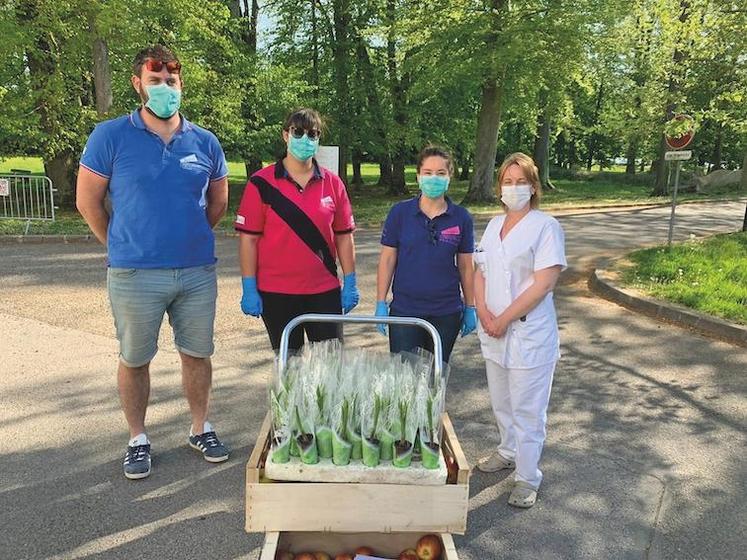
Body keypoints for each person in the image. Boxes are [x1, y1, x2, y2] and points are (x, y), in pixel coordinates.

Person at [76, 45, 230, 480]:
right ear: (137, 83)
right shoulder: (110, 136)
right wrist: (120, 243)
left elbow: (218, 202)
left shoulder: (204, 141)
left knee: (197, 354)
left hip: (196, 272)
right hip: (134, 273)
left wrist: (190, 236)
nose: (165, 88)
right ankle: (138, 438)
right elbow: (88, 201)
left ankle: (201, 427)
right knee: (135, 357)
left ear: (182, 85)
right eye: (156, 80)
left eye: (172, 81)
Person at [473, 152, 567, 508]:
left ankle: (528, 478)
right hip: (494, 330)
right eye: (507, 182)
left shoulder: (545, 227)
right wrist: (482, 311)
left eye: (520, 181)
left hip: (528, 333)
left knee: (528, 410)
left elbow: (542, 284)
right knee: (502, 401)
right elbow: (480, 270)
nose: (513, 188)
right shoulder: (494, 226)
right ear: (499, 188)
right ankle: (507, 450)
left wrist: (503, 319)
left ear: (533, 187)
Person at [235, 108, 359, 353]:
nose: (305, 139)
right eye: (298, 132)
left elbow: (344, 237)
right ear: (285, 135)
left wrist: (351, 281)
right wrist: (249, 286)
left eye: (312, 134)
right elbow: (248, 241)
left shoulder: (333, 184)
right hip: (276, 293)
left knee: (329, 369)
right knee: (289, 369)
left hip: (323, 291)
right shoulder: (261, 183)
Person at [375, 145, 476, 364]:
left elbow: (466, 265)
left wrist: (470, 306)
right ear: (419, 176)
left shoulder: (461, 218)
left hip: (446, 312)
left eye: (441, 173)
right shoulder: (400, 213)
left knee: (435, 380)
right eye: (428, 173)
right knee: (405, 383)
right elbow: (388, 259)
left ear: (450, 177)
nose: (434, 178)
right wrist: (381, 302)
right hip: (405, 311)